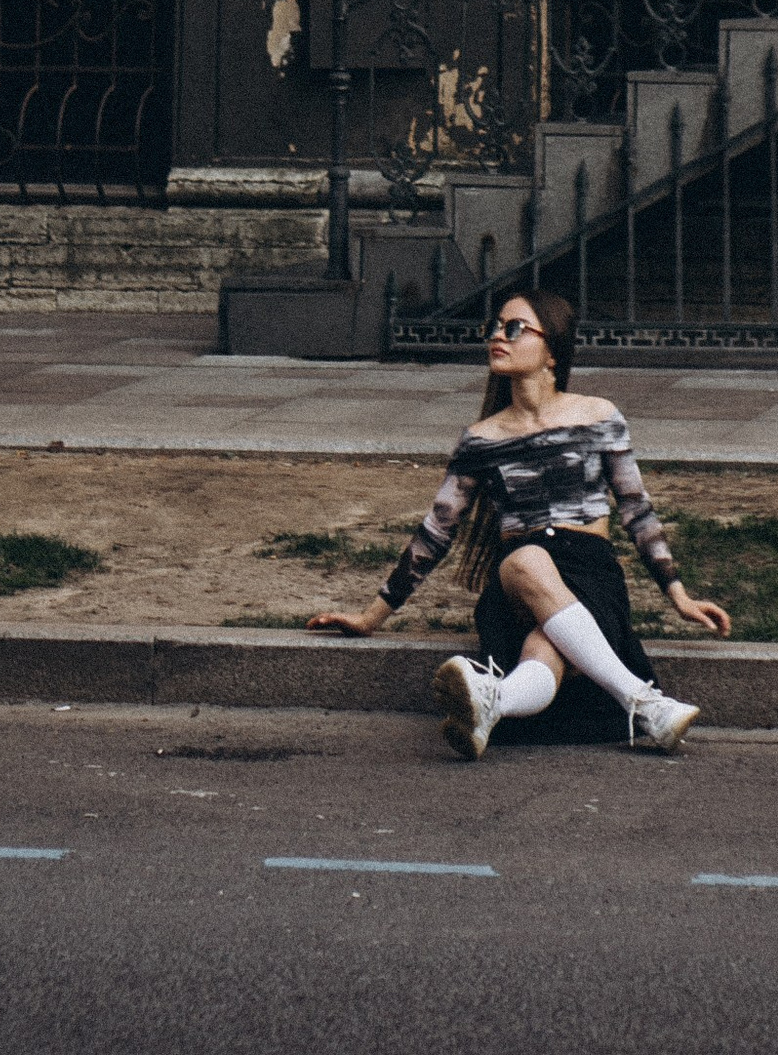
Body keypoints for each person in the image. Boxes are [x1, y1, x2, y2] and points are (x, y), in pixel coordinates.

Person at [308, 285, 732, 757]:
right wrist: (371, 617)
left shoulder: (599, 416)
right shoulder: (481, 439)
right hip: (516, 577)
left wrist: (678, 594)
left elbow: (637, 510)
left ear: (551, 350)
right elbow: (436, 533)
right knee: (528, 558)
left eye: (514, 329)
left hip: (589, 571)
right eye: (494, 328)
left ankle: (495, 701)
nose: (497, 336)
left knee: (544, 648)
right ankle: (646, 704)